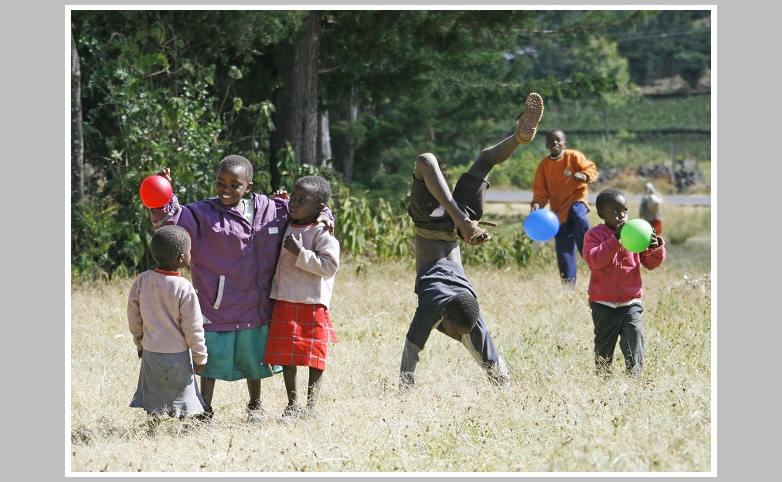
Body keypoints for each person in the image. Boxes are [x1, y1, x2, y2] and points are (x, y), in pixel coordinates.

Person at [150, 155, 333, 423]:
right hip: (219, 302)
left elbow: (306, 211)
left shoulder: (273, 209)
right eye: (220, 182)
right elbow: (172, 221)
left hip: (256, 302)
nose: (225, 189)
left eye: (234, 184)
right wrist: (164, 196)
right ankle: (204, 408)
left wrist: (326, 215)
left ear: (248, 186)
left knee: (254, 359)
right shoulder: (203, 213)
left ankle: (255, 405)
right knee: (209, 360)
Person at [399, 92, 545, 390]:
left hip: (452, 223)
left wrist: (405, 389)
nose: (456, 337)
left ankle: (517, 138)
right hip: (450, 221)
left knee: (482, 160)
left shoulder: (452, 308)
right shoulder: (455, 308)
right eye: (457, 334)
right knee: (426, 162)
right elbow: (413, 352)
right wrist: (502, 383)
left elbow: (414, 350)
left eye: (456, 334)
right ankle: (517, 138)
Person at [263, 175, 340, 420]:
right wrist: (279, 201)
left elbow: (329, 266)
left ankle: (311, 407)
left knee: (314, 356)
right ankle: (292, 404)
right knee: (288, 356)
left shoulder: (321, 230)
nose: (294, 204)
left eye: (301, 200)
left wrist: (301, 253)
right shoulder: (288, 221)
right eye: (293, 198)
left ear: (318, 208)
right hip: (285, 299)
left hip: (311, 302)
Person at [127, 225, 208, 433]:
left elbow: (134, 316)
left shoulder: (143, 280)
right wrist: (200, 355)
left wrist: (139, 342)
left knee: (154, 393)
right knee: (184, 394)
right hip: (178, 354)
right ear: (182, 257)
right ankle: (186, 429)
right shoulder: (183, 287)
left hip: (152, 351)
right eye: (190, 251)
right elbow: (193, 326)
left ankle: (152, 428)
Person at [582, 188, 666, 377]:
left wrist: (655, 246)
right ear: (601, 213)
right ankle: (603, 377)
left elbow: (651, 263)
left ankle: (634, 377)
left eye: (625, 210)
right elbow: (594, 260)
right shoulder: (594, 235)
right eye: (616, 211)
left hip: (630, 301)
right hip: (603, 302)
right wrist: (615, 239)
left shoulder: (635, 233)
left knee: (634, 337)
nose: (622, 216)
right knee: (604, 344)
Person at [530, 129, 598, 287]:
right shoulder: (544, 166)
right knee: (564, 249)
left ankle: (588, 249)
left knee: (578, 215)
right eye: (551, 141)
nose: (555, 143)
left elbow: (590, 169)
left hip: (577, 200)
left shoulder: (573, 156)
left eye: (558, 140)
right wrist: (537, 204)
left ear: (564, 144)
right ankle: (568, 286)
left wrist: (584, 176)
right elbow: (540, 190)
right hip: (558, 213)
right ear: (547, 145)